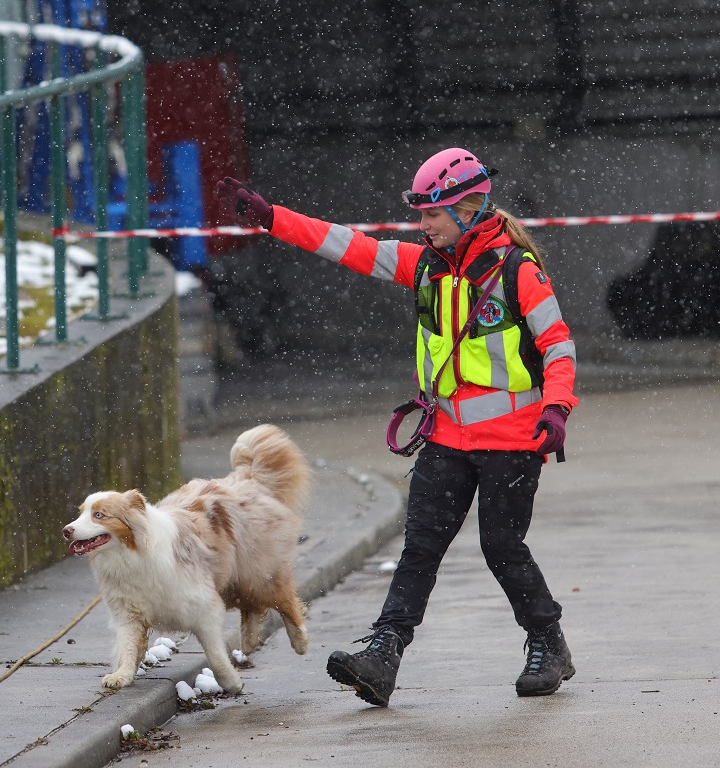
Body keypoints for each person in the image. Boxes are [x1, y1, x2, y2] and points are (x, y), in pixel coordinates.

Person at [216, 147, 578, 707]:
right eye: (422, 214)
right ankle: (383, 654)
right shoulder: (425, 265)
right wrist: (272, 219)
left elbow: (558, 346)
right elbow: (350, 246)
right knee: (420, 548)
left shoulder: (517, 271)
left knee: (502, 548)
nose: (422, 224)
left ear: (469, 209)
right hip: (445, 437)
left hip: (513, 440)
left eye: (432, 214)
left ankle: (548, 644)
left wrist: (557, 408)